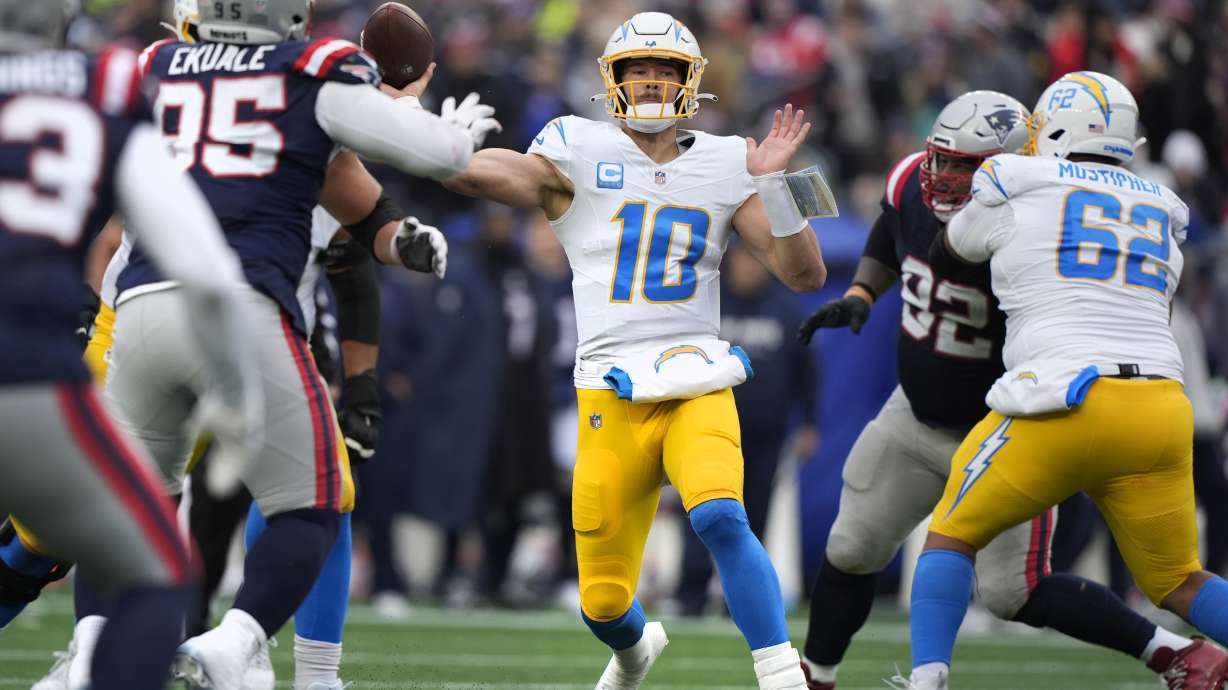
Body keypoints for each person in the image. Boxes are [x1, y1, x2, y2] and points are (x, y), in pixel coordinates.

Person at [72, 1, 496, 688]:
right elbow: (436, 155)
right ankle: (232, 644)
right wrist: (440, 129)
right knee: (317, 501)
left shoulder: (156, 66)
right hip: (241, 306)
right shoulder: (310, 69)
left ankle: (88, 657)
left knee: (129, 508)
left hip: (140, 307)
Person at [443, 11, 828, 690]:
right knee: (603, 602)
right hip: (608, 389)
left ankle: (780, 674)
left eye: (664, 71)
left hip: (695, 377)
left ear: (691, 83)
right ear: (611, 81)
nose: (650, 83)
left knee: (718, 511)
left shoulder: (728, 158)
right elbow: (494, 176)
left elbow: (804, 276)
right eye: (637, 71)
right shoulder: (574, 146)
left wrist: (775, 186)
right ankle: (632, 652)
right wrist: (441, 149)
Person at [796, 89, 1216, 689]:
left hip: (1011, 423)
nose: (940, 176)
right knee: (852, 544)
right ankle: (817, 676)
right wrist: (862, 294)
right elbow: (892, 237)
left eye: (965, 165)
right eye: (939, 157)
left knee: (1010, 591)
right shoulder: (912, 182)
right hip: (914, 413)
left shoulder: (1029, 208)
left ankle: (1164, 650)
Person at [0, 2, 262, 688]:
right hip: (29, 375)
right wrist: (235, 396)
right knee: (153, 573)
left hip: (82, 350)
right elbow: (206, 272)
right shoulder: (104, 87)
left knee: (39, 546)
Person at [673, 240, 819, 617]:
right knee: (699, 511)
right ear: (729, 261)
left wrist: (809, 423)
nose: (750, 268)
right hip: (707, 432)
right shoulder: (707, 307)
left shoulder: (786, 309)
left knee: (754, 516)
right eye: (743, 259)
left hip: (766, 434)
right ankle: (690, 596)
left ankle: (738, 602)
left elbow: (808, 371)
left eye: (756, 260)